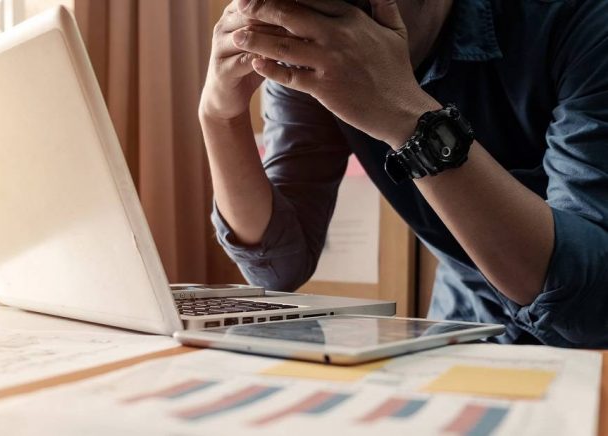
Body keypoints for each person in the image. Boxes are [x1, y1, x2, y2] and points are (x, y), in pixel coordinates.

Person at [198, 0, 608, 347]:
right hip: (469, 331)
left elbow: (589, 300)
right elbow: (279, 268)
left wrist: (410, 121)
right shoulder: (311, 42)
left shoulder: (582, 22)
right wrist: (220, 118)